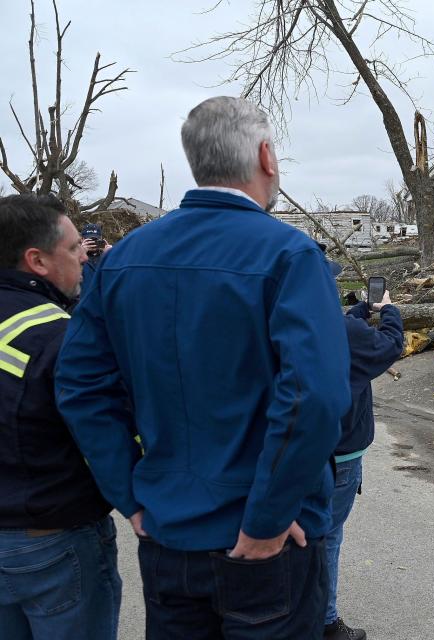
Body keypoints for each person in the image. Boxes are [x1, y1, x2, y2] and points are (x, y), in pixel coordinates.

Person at [55, 96, 351, 639]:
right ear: (266, 157)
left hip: (169, 535)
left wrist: (131, 496)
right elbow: (315, 395)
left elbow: (80, 386)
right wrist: (265, 521)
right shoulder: (289, 255)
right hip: (267, 543)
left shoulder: (122, 261)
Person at [0, 194, 120, 640]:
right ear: (38, 260)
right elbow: (105, 432)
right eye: (73, 250)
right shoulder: (60, 337)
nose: (83, 261)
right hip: (52, 541)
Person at [324, 286, 404, 640]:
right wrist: (389, 310)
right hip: (340, 455)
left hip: (294, 449)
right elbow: (390, 344)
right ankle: (325, 622)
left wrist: (358, 311)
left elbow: (344, 329)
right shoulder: (344, 332)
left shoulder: (288, 322)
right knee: (327, 537)